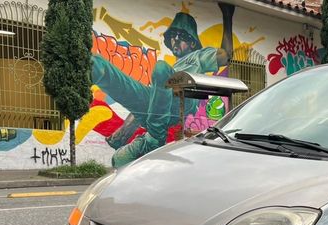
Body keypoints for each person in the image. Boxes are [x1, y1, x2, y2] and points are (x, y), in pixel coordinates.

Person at [91, 3, 235, 167]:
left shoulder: (199, 56)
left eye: (181, 36)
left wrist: (227, 15)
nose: (176, 40)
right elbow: (148, 104)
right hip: (162, 107)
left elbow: (226, 55)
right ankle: (97, 69)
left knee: (160, 69)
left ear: (193, 43)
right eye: (173, 36)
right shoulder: (171, 69)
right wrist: (123, 133)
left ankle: (155, 135)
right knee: (98, 64)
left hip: (183, 99)